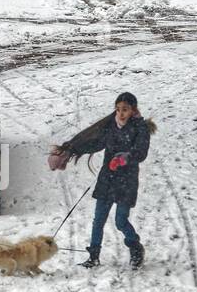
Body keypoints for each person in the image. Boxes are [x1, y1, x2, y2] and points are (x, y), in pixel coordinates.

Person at [50, 91, 153, 269]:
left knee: (121, 220)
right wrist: (70, 150)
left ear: (133, 110)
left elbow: (141, 153)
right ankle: (94, 256)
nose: (121, 113)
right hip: (107, 179)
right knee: (98, 219)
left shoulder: (140, 128)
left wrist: (124, 158)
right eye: (118, 109)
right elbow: (95, 143)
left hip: (127, 181)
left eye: (125, 109)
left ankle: (135, 247)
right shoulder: (111, 126)